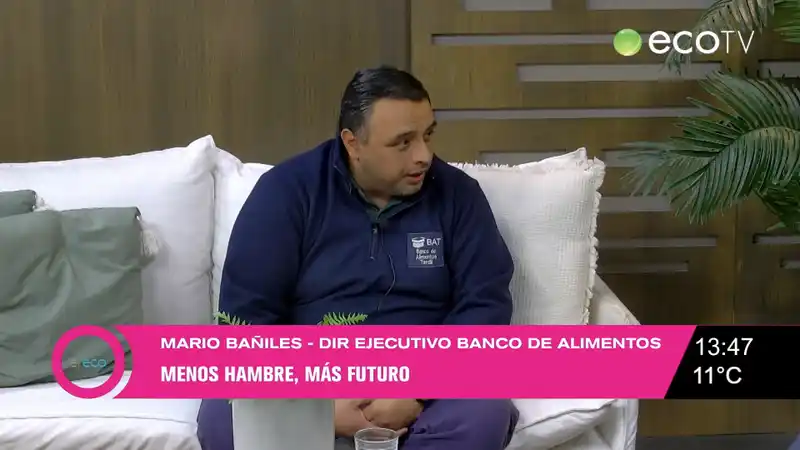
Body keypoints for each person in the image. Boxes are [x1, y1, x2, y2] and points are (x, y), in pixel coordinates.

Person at [197, 66, 519, 450]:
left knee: (483, 414)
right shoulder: (285, 193)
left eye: (427, 135)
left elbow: (484, 306)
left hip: (423, 380)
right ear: (353, 143)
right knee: (224, 416)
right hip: (308, 376)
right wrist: (319, 408)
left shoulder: (458, 196)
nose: (424, 156)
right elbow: (247, 316)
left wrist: (418, 390)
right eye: (403, 143)